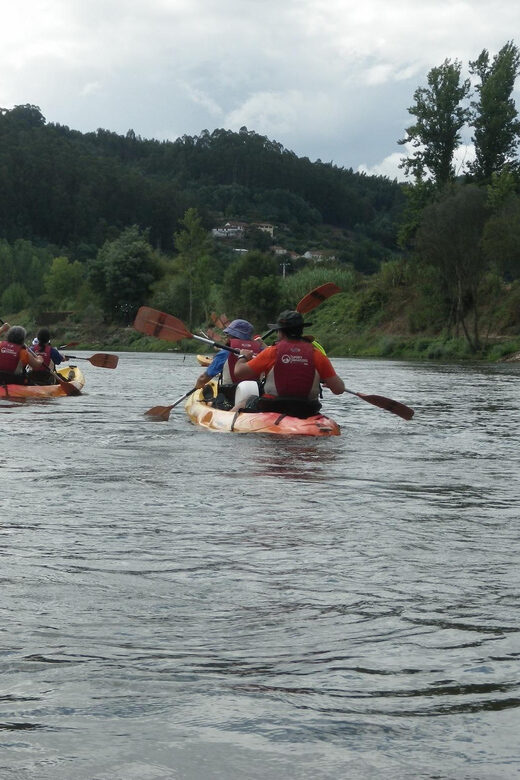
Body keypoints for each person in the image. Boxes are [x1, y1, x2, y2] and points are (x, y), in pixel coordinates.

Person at [233, 310, 345, 418]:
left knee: (246, 401)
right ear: (301, 330)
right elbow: (339, 389)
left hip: (273, 407)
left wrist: (243, 357)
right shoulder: (317, 355)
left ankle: (226, 421)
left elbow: (239, 373)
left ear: (281, 332)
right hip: (307, 409)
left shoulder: (272, 352)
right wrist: (328, 381)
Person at [195, 318, 263, 408]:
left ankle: (211, 401)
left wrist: (198, 387)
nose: (226, 337)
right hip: (256, 395)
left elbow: (204, 378)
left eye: (228, 335)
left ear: (232, 336)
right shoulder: (261, 351)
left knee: (208, 392)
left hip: (230, 398)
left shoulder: (225, 352)